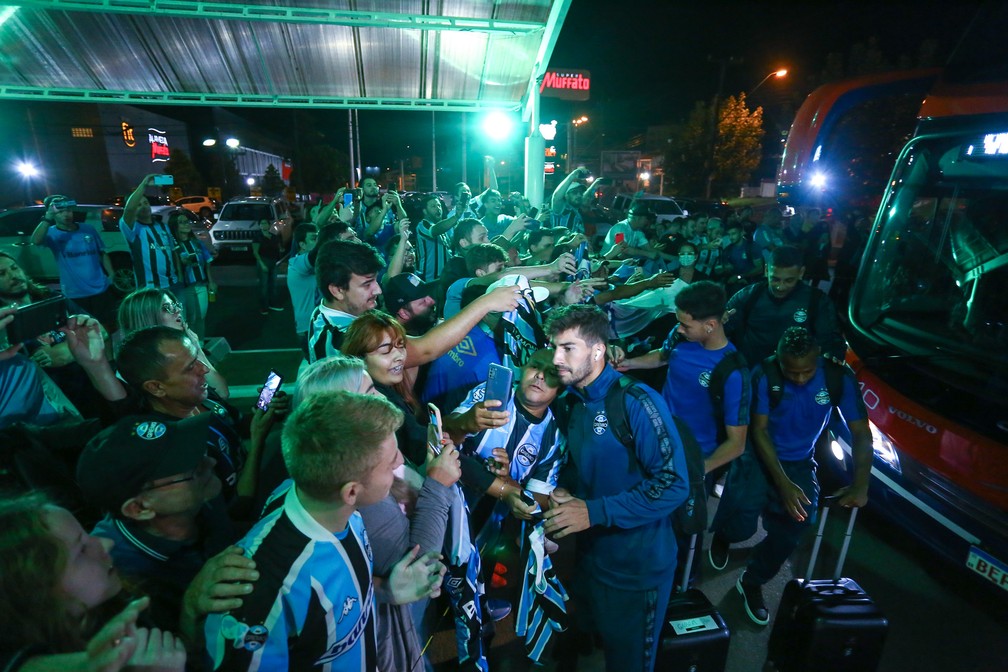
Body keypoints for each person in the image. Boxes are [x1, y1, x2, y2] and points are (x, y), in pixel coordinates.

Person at [203, 391, 446, 671]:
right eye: (391, 462)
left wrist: (386, 590)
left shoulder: (335, 508)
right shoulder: (261, 588)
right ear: (351, 491)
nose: (399, 462)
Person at [542, 304, 688, 672]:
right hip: (593, 559)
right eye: (554, 347)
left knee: (629, 662)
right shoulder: (573, 401)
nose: (556, 358)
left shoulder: (638, 402)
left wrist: (594, 511)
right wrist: (566, 490)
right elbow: (585, 468)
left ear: (597, 350)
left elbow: (674, 484)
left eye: (568, 348)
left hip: (637, 569)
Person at [707, 327, 872, 625]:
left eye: (806, 371)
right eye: (790, 371)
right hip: (759, 454)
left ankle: (752, 581)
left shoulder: (838, 377)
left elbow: (862, 433)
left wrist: (861, 484)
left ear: (818, 358)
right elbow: (758, 431)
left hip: (799, 459)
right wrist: (783, 484)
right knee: (742, 521)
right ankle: (726, 534)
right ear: (778, 360)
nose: (797, 378)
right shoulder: (765, 374)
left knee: (796, 525)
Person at [0, 492, 187, 672]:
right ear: (37, 593)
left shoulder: (123, 605)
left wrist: (191, 616)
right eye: (81, 550)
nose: (107, 543)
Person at [307, 238, 520, 364]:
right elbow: (425, 350)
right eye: (367, 284)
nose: (377, 289)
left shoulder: (322, 314)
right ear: (337, 290)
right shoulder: (343, 335)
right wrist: (485, 303)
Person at [446, 348, 566, 528]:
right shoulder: (492, 393)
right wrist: (466, 422)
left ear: (561, 388)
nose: (540, 375)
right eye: (535, 366)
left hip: (486, 526)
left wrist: (507, 480)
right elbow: (442, 430)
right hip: (446, 493)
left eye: (550, 373)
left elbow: (541, 500)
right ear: (523, 369)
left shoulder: (554, 439)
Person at [725, 244, 846, 367]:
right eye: (775, 279)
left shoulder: (817, 301)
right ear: (767, 270)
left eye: (789, 280)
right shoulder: (747, 296)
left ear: (801, 273)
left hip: (795, 375)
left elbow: (830, 341)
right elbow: (722, 327)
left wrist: (832, 355)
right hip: (751, 371)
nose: (780, 287)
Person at [117, 287, 229, 399]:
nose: (178, 310)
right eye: (166, 308)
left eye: (175, 305)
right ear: (146, 318)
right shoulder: (133, 366)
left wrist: (197, 349)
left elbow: (221, 393)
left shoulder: (183, 351)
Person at [30, 194, 117, 328]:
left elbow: (101, 253)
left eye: (68, 210)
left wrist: (111, 274)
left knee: (108, 328)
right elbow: (35, 240)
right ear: (53, 214)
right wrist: (48, 216)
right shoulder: (52, 233)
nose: (66, 214)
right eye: (60, 211)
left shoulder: (87, 229)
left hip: (101, 289)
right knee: (85, 332)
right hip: (75, 293)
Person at [119, 174, 181, 290]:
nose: (144, 206)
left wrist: (179, 277)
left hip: (173, 284)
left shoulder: (162, 226)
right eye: (139, 205)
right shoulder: (132, 228)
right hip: (150, 289)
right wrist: (144, 184)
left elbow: (172, 252)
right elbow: (130, 209)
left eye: (146, 203)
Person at [168, 210, 216, 342]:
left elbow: (207, 262)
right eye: (181, 222)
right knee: (191, 317)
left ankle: (200, 344)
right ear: (175, 226)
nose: (186, 224)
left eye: (187, 221)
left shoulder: (196, 242)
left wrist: (211, 281)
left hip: (201, 285)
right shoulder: (174, 246)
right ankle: (191, 345)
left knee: (201, 316)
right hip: (186, 287)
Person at [285, 222, 319, 354]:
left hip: (319, 323)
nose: (317, 242)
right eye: (313, 239)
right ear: (302, 245)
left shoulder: (317, 263)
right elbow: (315, 254)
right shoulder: (297, 263)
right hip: (309, 328)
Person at [251, 217, 284, 315]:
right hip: (263, 261)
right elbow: (255, 252)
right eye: (262, 223)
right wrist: (262, 264)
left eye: (265, 223)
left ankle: (272, 304)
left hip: (273, 262)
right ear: (259, 225)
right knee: (263, 285)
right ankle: (263, 307)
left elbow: (279, 248)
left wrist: (280, 251)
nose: (264, 225)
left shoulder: (274, 236)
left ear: (269, 225)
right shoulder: (257, 237)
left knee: (273, 284)